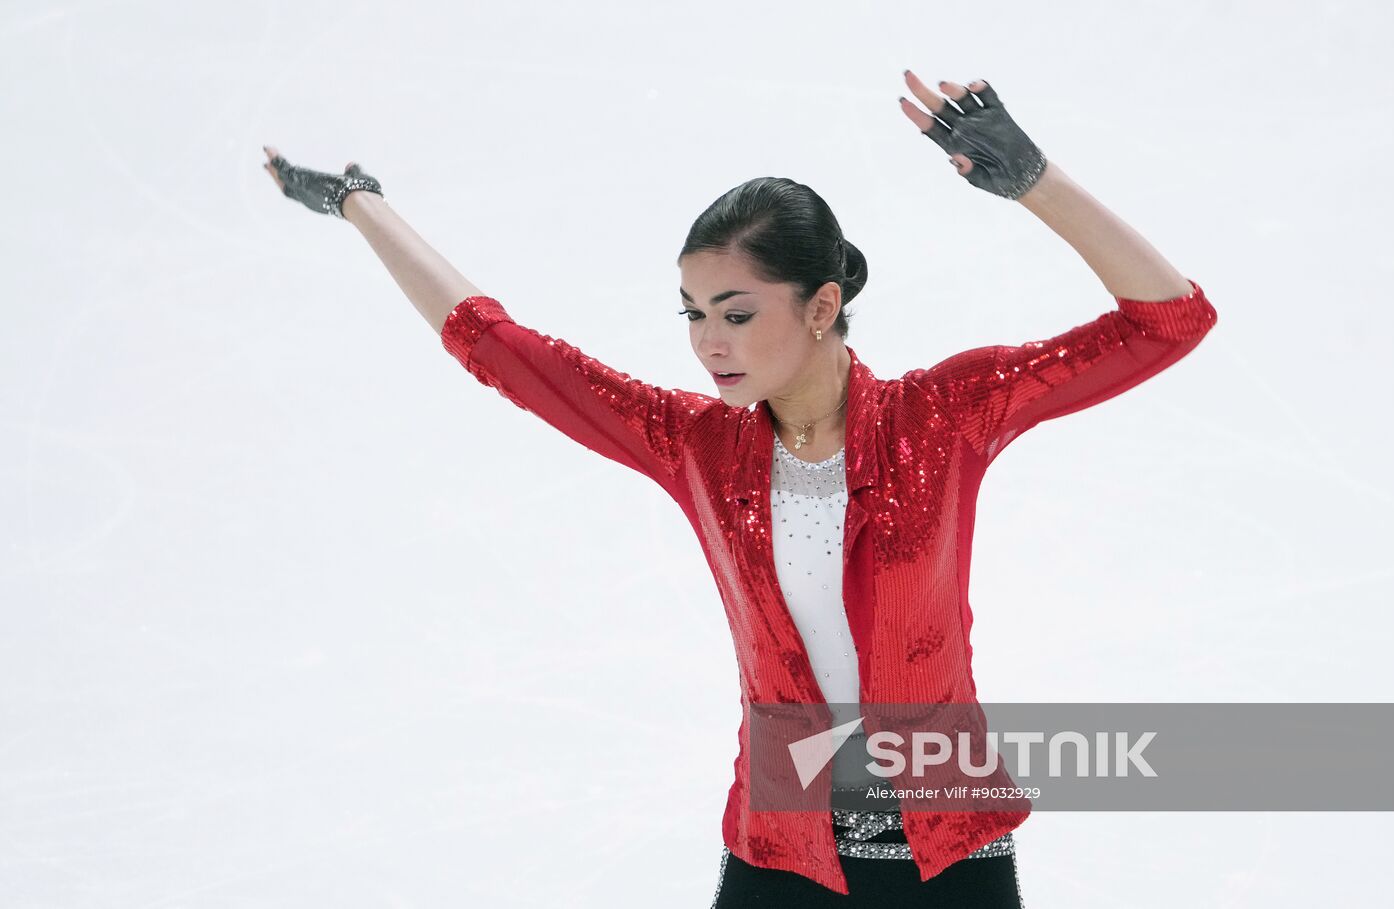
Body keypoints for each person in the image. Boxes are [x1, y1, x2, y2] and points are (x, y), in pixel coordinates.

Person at [262, 72, 1218, 907]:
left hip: (950, 851)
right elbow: (498, 346)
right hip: (786, 856)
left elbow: (1171, 320)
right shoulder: (697, 447)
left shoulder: (944, 416)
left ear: (822, 305)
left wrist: (1033, 180)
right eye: (693, 314)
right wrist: (358, 202)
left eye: (736, 313)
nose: (708, 342)